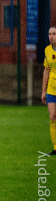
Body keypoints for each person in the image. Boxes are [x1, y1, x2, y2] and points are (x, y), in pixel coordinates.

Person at [42, 26, 56, 155]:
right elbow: (46, 71)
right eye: (49, 33)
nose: (51, 36)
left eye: (54, 34)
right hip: (51, 90)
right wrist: (43, 91)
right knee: (52, 117)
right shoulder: (47, 50)